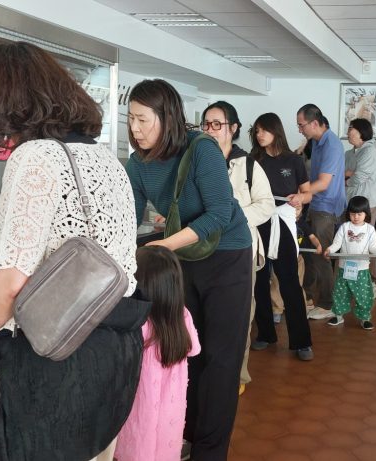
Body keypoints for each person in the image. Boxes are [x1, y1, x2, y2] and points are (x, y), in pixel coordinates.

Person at [0, 42, 146, 461]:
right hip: (117, 349)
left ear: (3, 101)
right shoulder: (105, 158)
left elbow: (10, 279)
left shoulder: (35, 157)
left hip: (62, 359)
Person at [125, 79, 252, 461]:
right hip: (183, 257)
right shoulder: (138, 162)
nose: (135, 128)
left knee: (221, 359)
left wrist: (161, 246)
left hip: (227, 255)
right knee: (187, 350)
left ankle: (209, 452)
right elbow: (128, 218)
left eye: (143, 119)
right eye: (130, 119)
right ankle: (186, 435)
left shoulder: (201, 150)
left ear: (167, 117)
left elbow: (220, 213)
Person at [200, 101, 276, 391]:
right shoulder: (196, 162)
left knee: (239, 315)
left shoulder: (249, 165)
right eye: (206, 124)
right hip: (202, 249)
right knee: (204, 314)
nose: (210, 130)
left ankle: (237, 375)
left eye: (217, 124)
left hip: (240, 250)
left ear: (233, 128)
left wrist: (232, 219)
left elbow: (266, 205)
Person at [116, 246, 201, 461]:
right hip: (170, 414)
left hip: (138, 412)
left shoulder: (136, 323)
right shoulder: (182, 315)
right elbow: (194, 349)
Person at [246, 112, 315, 362]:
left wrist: (299, 200)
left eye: (264, 130)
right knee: (259, 281)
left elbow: (307, 193)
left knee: (289, 282)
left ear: (276, 131)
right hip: (259, 222)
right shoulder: (252, 160)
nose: (259, 135)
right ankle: (265, 333)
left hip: (283, 222)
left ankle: (302, 341)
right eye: (256, 131)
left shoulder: (293, 160)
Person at [296, 104, 345, 321]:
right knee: (311, 254)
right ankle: (307, 298)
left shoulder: (332, 144)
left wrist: (300, 194)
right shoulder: (316, 141)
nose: (300, 130)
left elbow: (324, 183)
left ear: (314, 123)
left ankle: (328, 304)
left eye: (301, 125)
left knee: (322, 255)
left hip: (327, 206)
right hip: (316, 204)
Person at [324, 196, 376, 330]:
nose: (356, 217)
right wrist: (329, 250)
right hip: (344, 269)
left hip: (362, 270)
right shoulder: (344, 227)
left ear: (366, 214)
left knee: (363, 296)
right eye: (353, 214)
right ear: (349, 214)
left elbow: (373, 247)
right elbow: (336, 244)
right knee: (340, 293)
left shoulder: (370, 229)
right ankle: (338, 316)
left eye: (359, 214)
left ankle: (365, 318)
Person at [344, 118, 376, 222]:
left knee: (364, 230)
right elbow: (342, 173)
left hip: (366, 202)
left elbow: (359, 177)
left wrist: (346, 181)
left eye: (350, 129)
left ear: (361, 131)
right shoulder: (348, 153)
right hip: (351, 199)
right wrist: (349, 174)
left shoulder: (369, 151)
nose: (347, 133)